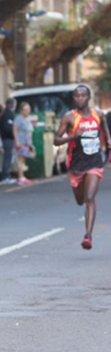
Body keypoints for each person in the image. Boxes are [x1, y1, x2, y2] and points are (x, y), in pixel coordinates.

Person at [54, 85, 110, 250]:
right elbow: (56, 140)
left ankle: (88, 236)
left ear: (88, 97)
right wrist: (72, 136)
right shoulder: (69, 117)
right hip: (76, 166)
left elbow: (105, 129)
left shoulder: (98, 115)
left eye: (83, 96)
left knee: (89, 198)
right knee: (80, 200)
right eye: (77, 96)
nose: (80, 99)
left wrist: (108, 140)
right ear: (74, 98)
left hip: (94, 163)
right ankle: (81, 196)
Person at [13, 102, 34, 186]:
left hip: (26, 142)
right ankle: (20, 177)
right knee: (20, 160)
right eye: (25, 110)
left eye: (28, 109)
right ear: (21, 110)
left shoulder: (27, 118)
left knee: (23, 160)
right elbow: (14, 129)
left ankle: (22, 176)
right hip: (21, 142)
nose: (27, 111)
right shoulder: (19, 119)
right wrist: (17, 141)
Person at [0, 98, 17, 184]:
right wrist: (13, 136)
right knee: (8, 157)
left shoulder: (4, 114)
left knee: (9, 157)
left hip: (6, 138)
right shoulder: (8, 115)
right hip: (8, 139)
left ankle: (7, 175)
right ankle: (5, 176)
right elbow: (8, 128)